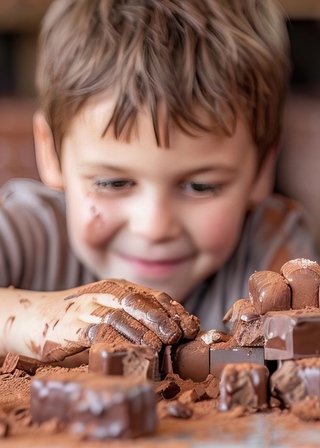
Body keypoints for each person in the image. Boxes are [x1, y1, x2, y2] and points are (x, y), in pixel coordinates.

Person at [0, 0, 318, 362]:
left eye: (200, 186)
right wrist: (37, 321)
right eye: (112, 182)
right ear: (52, 153)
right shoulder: (23, 230)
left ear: (263, 168)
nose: (154, 227)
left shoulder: (272, 248)